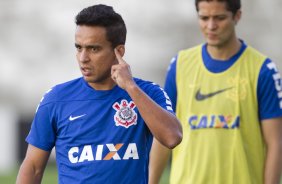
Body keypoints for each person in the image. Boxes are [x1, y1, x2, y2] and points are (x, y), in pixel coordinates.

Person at [16, 4, 182, 184]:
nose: (83, 58)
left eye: (93, 49)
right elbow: (33, 167)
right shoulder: (56, 99)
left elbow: (172, 137)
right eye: (79, 48)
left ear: (119, 51)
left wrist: (131, 88)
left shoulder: (148, 93)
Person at [149, 0, 282, 184]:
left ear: (237, 16)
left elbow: (275, 143)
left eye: (219, 18)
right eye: (204, 18)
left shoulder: (262, 69)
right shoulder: (180, 65)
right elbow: (163, 134)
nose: (211, 26)